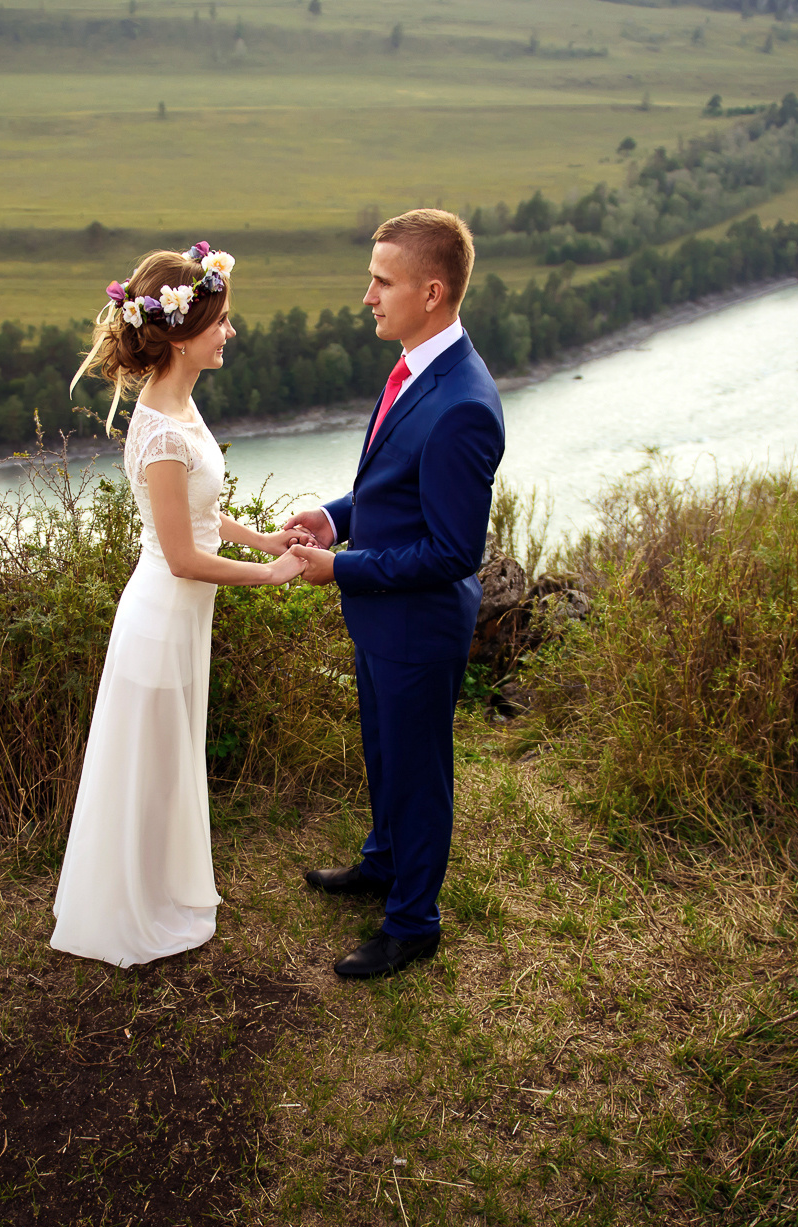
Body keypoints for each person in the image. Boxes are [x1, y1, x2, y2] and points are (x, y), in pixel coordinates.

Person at [51, 244, 309, 968]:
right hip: (161, 621)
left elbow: (200, 515)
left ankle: (160, 892)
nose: (231, 332)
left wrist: (260, 536)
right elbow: (184, 556)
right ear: (182, 330)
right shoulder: (160, 431)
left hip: (182, 618)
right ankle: (133, 911)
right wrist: (275, 575)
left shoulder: (177, 405)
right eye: (222, 321)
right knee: (151, 768)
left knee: (167, 760)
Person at [285, 209, 506, 980]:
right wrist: (333, 517)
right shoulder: (416, 362)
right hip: (383, 613)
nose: (368, 296)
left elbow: (453, 550)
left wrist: (339, 568)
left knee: (418, 769)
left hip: (419, 622)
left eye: (383, 281)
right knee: (385, 751)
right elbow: (392, 487)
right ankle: (384, 863)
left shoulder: (464, 405)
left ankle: (414, 921)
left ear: (433, 291)